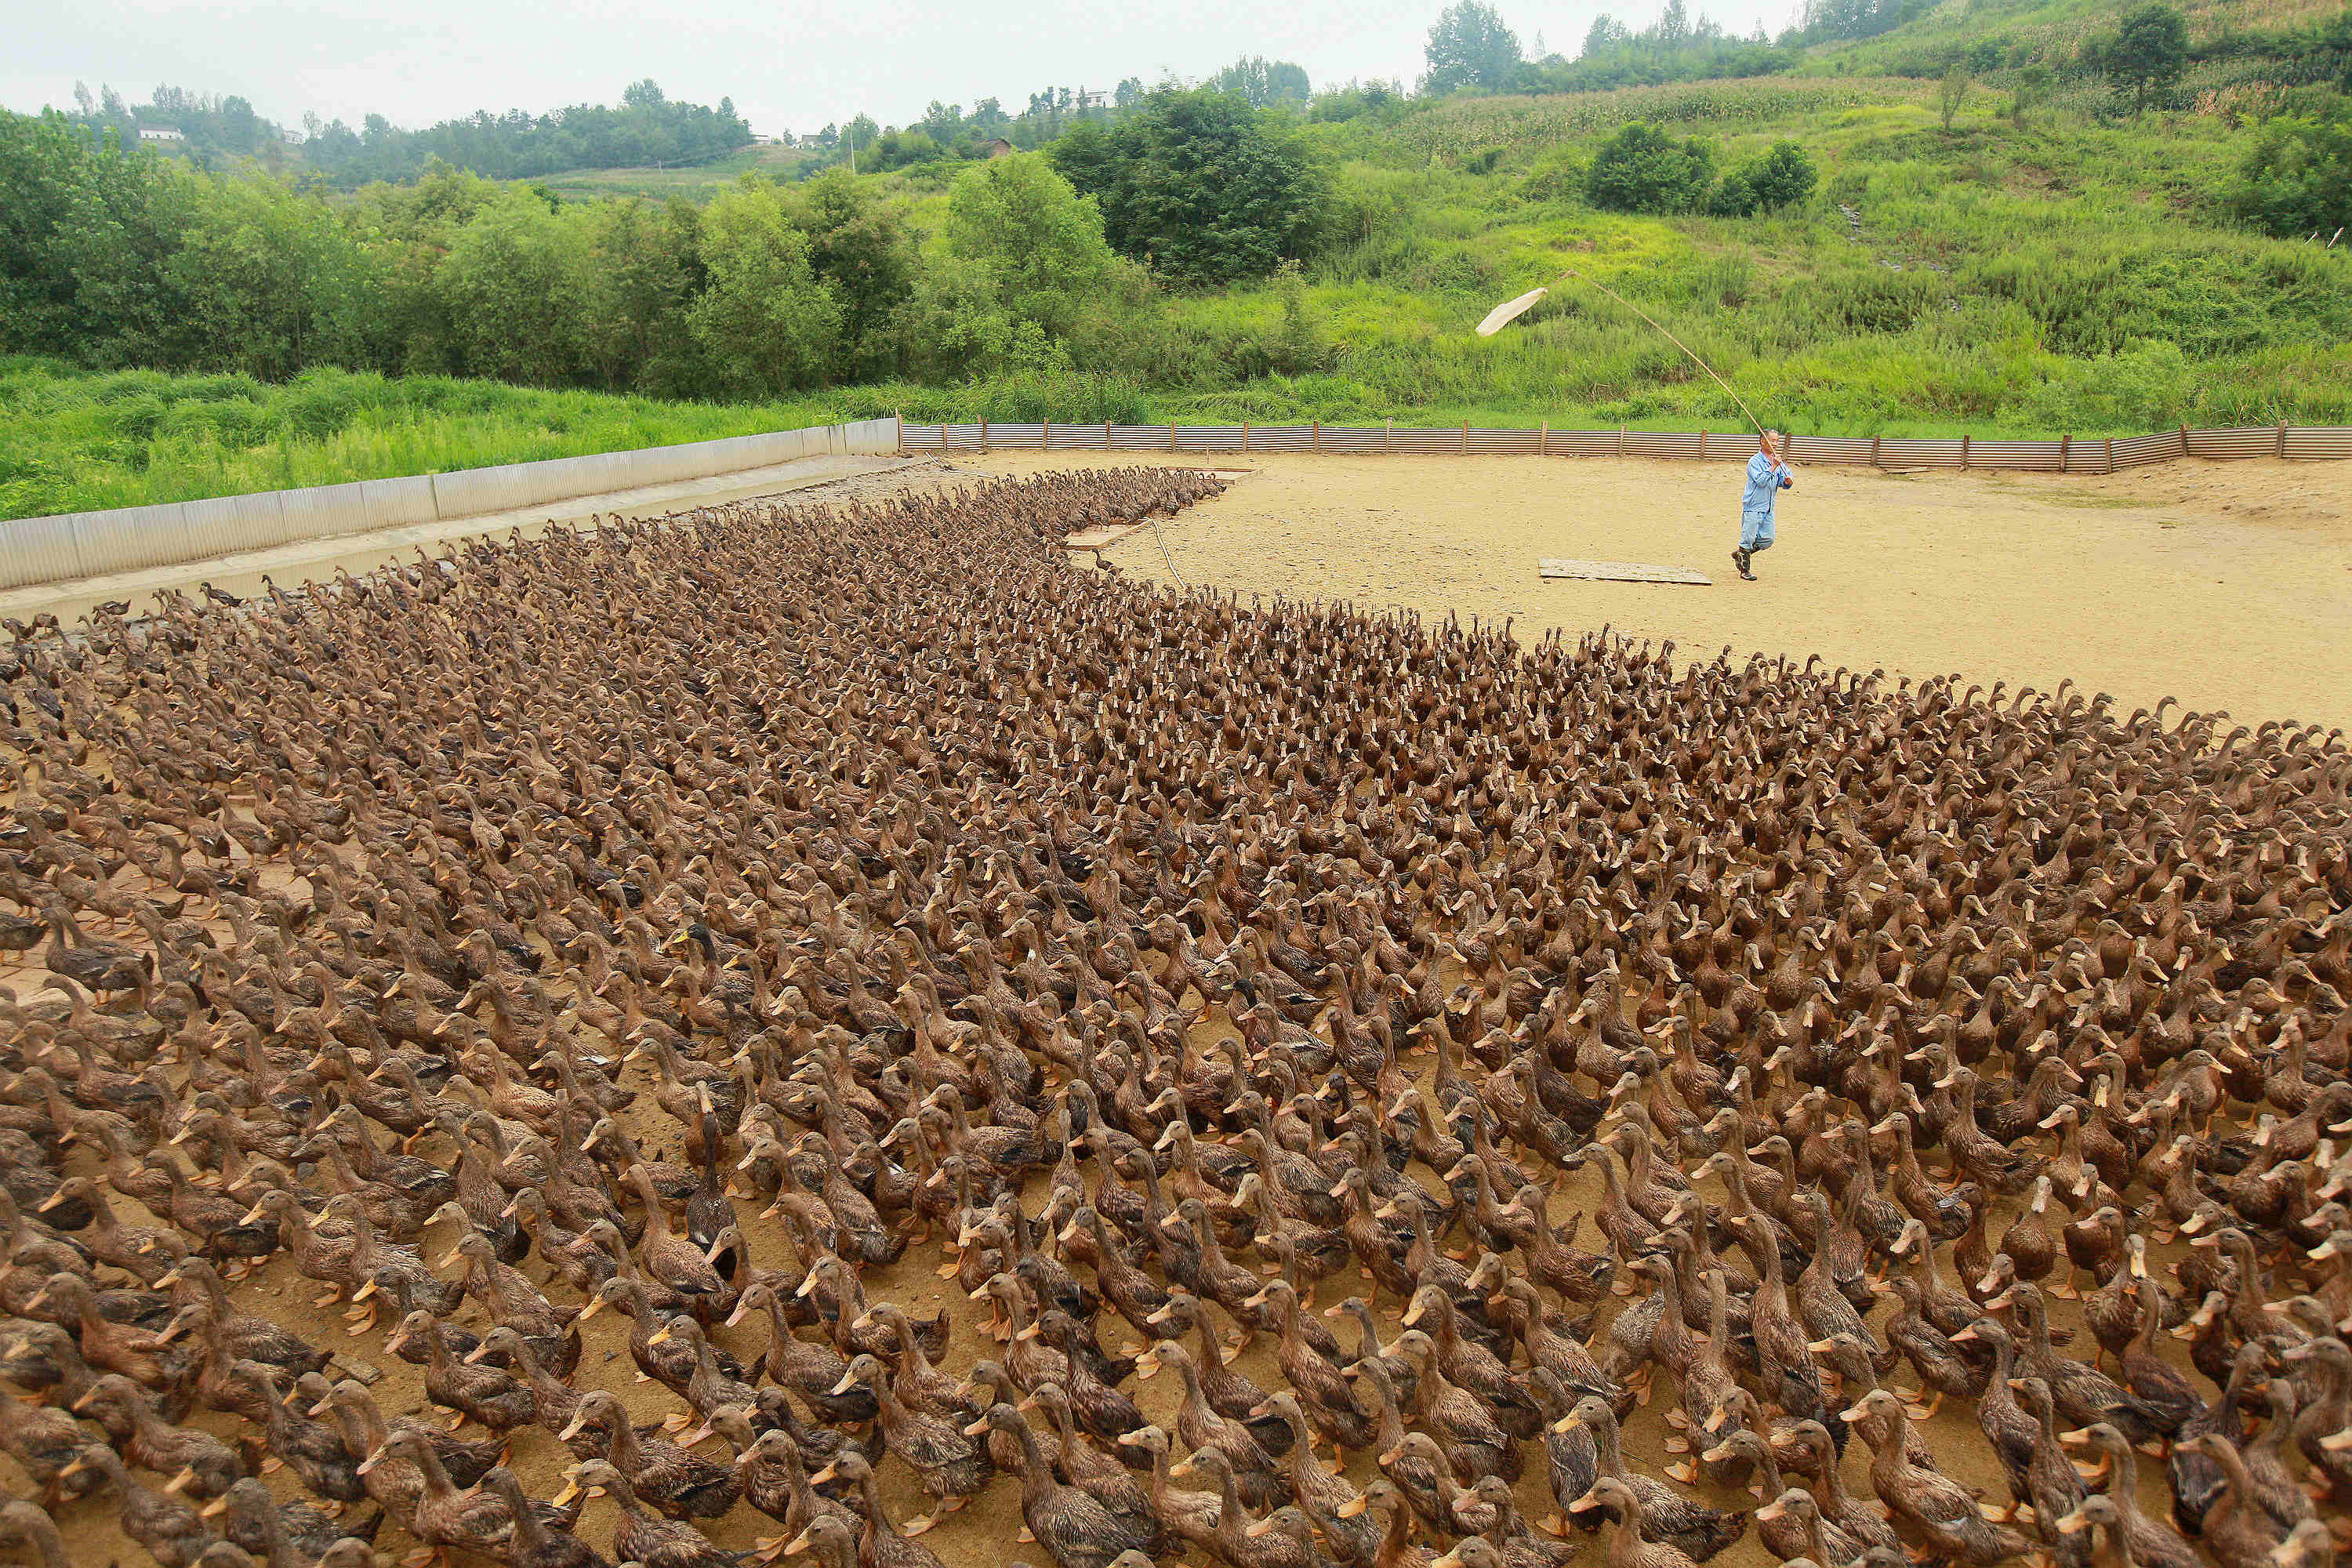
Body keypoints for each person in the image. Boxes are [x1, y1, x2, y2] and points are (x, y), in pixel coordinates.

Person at [1733, 430, 1794, 581]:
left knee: (1768, 539)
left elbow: (1782, 479)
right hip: (1753, 506)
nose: (1775, 444)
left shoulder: (1777, 461)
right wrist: (1773, 467)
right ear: (1762, 441)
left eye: (1777, 441)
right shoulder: (1754, 461)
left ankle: (1741, 554)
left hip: (1768, 507)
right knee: (1748, 537)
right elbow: (1760, 480)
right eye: (1772, 440)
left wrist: (1787, 482)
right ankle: (1745, 571)